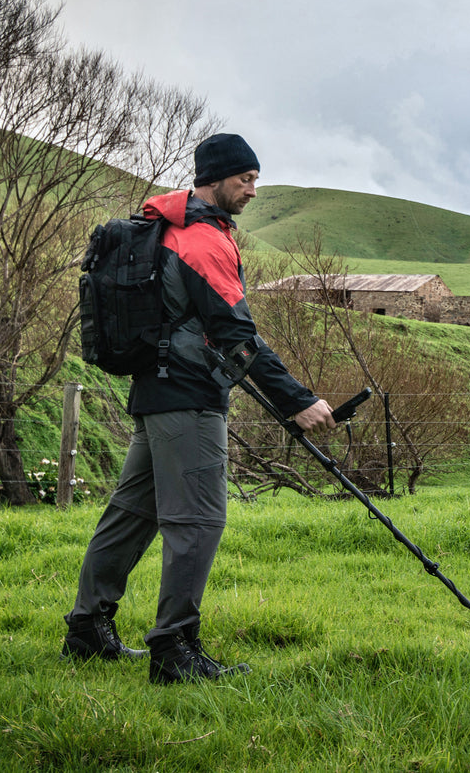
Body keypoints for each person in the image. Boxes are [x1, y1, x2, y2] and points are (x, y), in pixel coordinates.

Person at [61, 132, 334, 683]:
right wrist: (297, 401)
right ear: (213, 179)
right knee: (198, 521)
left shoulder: (171, 228)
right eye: (244, 179)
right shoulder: (202, 240)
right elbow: (236, 334)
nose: (253, 190)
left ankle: (88, 630)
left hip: (158, 391)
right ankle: (174, 648)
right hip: (188, 397)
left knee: (133, 515)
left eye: (256, 179)